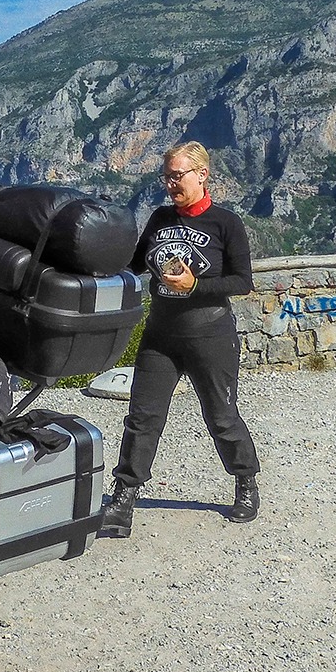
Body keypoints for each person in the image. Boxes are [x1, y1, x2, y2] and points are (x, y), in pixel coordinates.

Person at [100, 141, 260, 537]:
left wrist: (194, 286)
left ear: (202, 175)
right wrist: (97, 259)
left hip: (211, 335)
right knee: (143, 417)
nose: (171, 184)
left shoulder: (225, 223)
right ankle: (123, 499)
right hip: (161, 336)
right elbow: (136, 264)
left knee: (221, 416)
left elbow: (242, 281)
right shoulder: (160, 218)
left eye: (177, 176)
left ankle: (245, 482)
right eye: (166, 177)